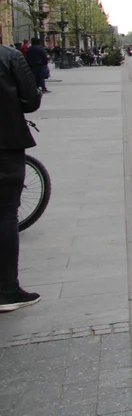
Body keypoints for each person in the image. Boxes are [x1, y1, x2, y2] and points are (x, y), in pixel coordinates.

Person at [0, 42, 43, 312]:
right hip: (5, 144)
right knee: (4, 214)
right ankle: (7, 290)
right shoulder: (8, 56)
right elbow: (31, 100)